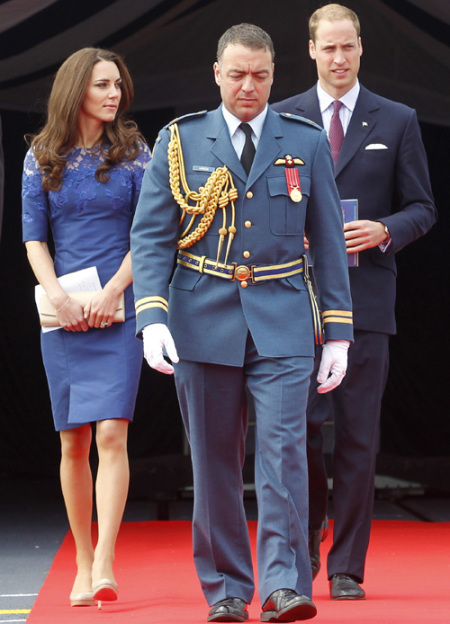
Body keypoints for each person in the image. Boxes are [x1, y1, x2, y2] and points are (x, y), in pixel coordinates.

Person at [131, 23, 353, 623]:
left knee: (283, 454)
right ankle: (227, 587)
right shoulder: (182, 140)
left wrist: (338, 330)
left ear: (274, 74)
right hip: (201, 313)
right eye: (237, 75)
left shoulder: (303, 141)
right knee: (214, 460)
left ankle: (284, 585)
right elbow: (151, 236)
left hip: (282, 314)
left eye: (259, 75)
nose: (248, 86)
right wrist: (151, 317)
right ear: (216, 73)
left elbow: (329, 241)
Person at [272, 3, 437, 600]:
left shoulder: (396, 118)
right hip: (292, 301)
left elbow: (424, 207)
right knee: (299, 435)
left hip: (367, 301)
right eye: (328, 48)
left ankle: (348, 565)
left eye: (348, 47)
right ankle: (308, 532)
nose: (338, 59)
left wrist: (385, 229)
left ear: (361, 48)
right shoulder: (282, 116)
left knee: (359, 437)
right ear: (311, 50)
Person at [22, 48, 151, 608]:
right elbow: (34, 239)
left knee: (112, 434)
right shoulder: (41, 156)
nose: (114, 94)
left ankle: (105, 562)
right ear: (76, 89)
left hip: (118, 306)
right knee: (72, 440)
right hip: (64, 311)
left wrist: (112, 291)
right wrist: (58, 297)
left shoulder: (133, 153)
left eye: (118, 85)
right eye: (103, 85)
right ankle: (79, 559)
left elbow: (150, 235)